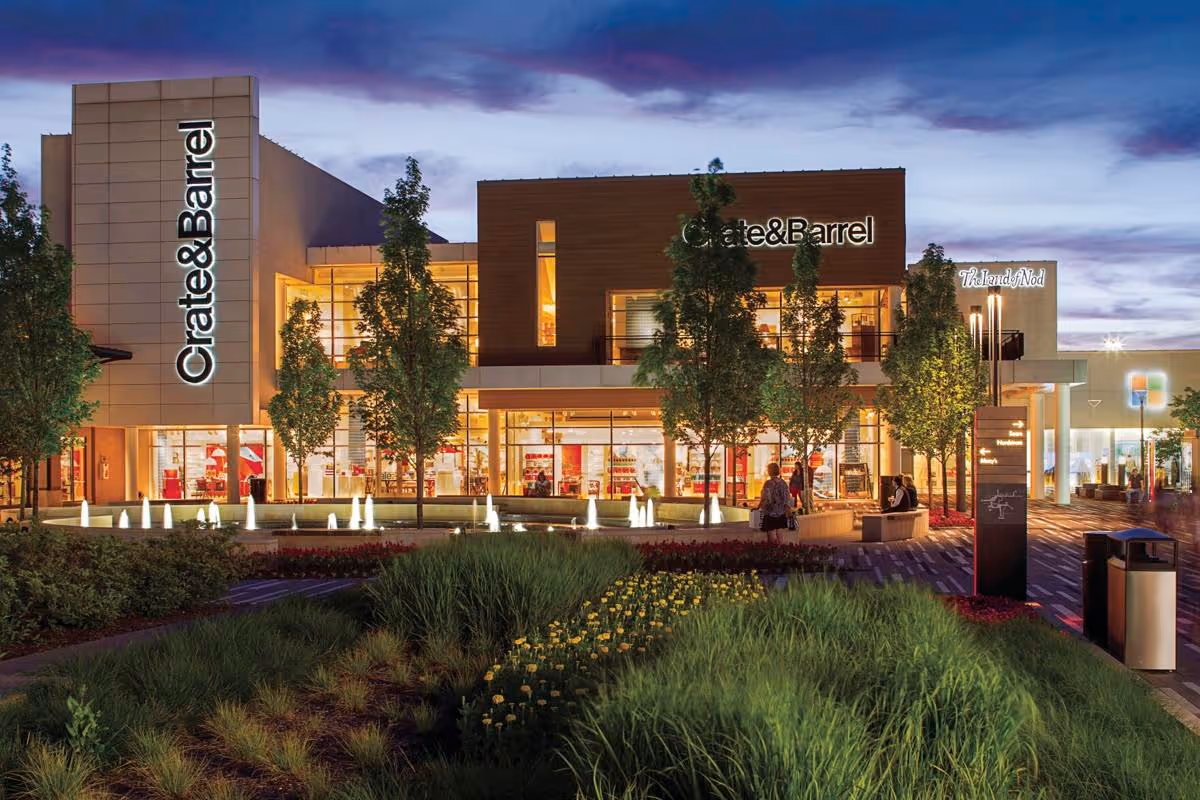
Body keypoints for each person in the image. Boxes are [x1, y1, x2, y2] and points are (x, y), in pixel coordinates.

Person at [758, 462, 792, 544]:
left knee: (771, 534)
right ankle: (780, 551)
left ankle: (773, 552)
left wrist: (759, 506)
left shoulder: (768, 483)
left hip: (770, 512)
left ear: (770, 471)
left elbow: (764, 497)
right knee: (780, 534)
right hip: (781, 512)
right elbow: (787, 497)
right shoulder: (783, 483)